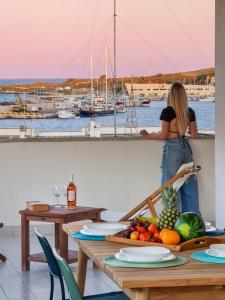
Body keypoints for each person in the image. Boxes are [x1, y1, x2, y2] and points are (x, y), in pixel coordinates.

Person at [140, 82, 199, 213]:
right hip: (186, 149)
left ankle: (173, 222)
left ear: (171, 95)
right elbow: (194, 135)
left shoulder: (167, 112)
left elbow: (163, 136)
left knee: (171, 187)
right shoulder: (189, 112)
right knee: (189, 187)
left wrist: (146, 135)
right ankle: (193, 220)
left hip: (173, 149)